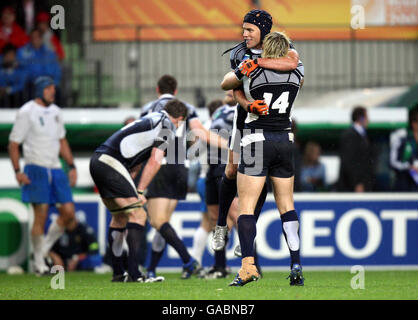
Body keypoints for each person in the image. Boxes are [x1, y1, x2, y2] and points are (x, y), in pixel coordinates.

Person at [212, 8, 300, 257]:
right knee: (231, 170)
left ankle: (247, 234)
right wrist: (247, 104)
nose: (244, 33)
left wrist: (258, 63)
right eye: (243, 28)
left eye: (249, 29)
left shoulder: (284, 47)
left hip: (274, 122)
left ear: (263, 30)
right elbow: (235, 87)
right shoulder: (240, 52)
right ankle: (220, 225)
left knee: (259, 178)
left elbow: (292, 62)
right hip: (246, 119)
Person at [140, 75, 228, 282]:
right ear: (176, 90)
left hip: (159, 165)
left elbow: (143, 138)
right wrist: (229, 146)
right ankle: (151, 269)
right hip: (181, 167)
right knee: (163, 223)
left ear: (157, 89)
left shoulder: (149, 107)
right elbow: (201, 133)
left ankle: (188, 260)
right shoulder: (187, 107)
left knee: (157, 221)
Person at [89, 99, 188, 282]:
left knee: (119, 217)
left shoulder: (151, 117)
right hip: (112, 162)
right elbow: (155, 160)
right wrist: (140, 191)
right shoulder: (168, 125)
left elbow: (136, 157)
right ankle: (135, 274)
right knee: (138, 215)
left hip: (99, 160)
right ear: (180, 119)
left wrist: (133, 185)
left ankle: (118, 273)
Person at [8, 76, 77, 275]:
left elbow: (62, 140)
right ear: (39, 91)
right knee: (41, 215)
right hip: (35, 167)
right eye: (48, 88)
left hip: (55, 167)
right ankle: (39, 265)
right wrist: (17, 171)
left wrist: (71, 165)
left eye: (53, 88)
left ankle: (42, 251)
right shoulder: (26, 112)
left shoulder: (56, 112)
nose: (52, 91)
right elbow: (13, 143)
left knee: (68, 212)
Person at [337, 106, 375, 192]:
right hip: (353, 186)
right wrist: (357, 183)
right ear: (360, 118)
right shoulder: (350, 136)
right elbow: (350, 161)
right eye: (366, 117)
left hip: (364, 184)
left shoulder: (363, 135)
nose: (368, 120)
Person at [390, 105, 418, 191]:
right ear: (413, 123)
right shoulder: (401, 137)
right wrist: (409, 167)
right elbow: (393, 162)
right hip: (405, 184)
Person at [0, 43, 27, 108]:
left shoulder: (20, 68)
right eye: (7, 55)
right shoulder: (1, 68)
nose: (9, 58)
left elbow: (21, 85)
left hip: (15, 95)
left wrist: (7, 89)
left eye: (12, 55)